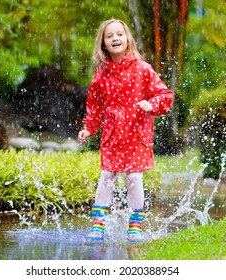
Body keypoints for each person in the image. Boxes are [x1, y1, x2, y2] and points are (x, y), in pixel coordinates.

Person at [78, 19, 174, 242]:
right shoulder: (101, 75)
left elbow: (165, 95)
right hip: (112, 136)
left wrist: (152, 105)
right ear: (103, 44)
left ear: (127, 38)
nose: (115, 39)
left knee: (134, 178)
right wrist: (89, 128)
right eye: (109, 36)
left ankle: (135, 224)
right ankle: (98, 223)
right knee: (107, 177)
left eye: (119, 34)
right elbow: (95, 105)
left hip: (137, 135)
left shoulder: (142, 69)